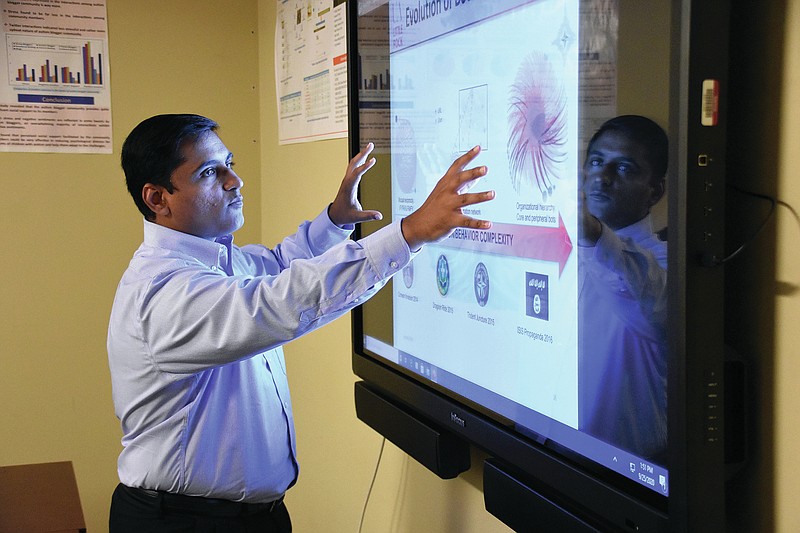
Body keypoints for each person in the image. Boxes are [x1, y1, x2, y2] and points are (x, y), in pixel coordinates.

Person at [107, 113, 494, 532]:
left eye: (230, 163)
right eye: (208, 173)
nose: (234, 181)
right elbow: (278, 301)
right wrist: (410, 232)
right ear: (157, 198)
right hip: (183, 523)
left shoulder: (216, 258)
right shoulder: (162, 292)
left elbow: (276, 265)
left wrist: (336, 220)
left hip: (246, 516)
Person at [577, 115, 669, 462]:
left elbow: (651, 300)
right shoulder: (563, 248)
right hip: (544, 456)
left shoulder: (664, 263)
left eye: (625, 168)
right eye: (597, 162)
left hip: (619, 474)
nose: (602, 176)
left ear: (655, 191)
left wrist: (593, 235)